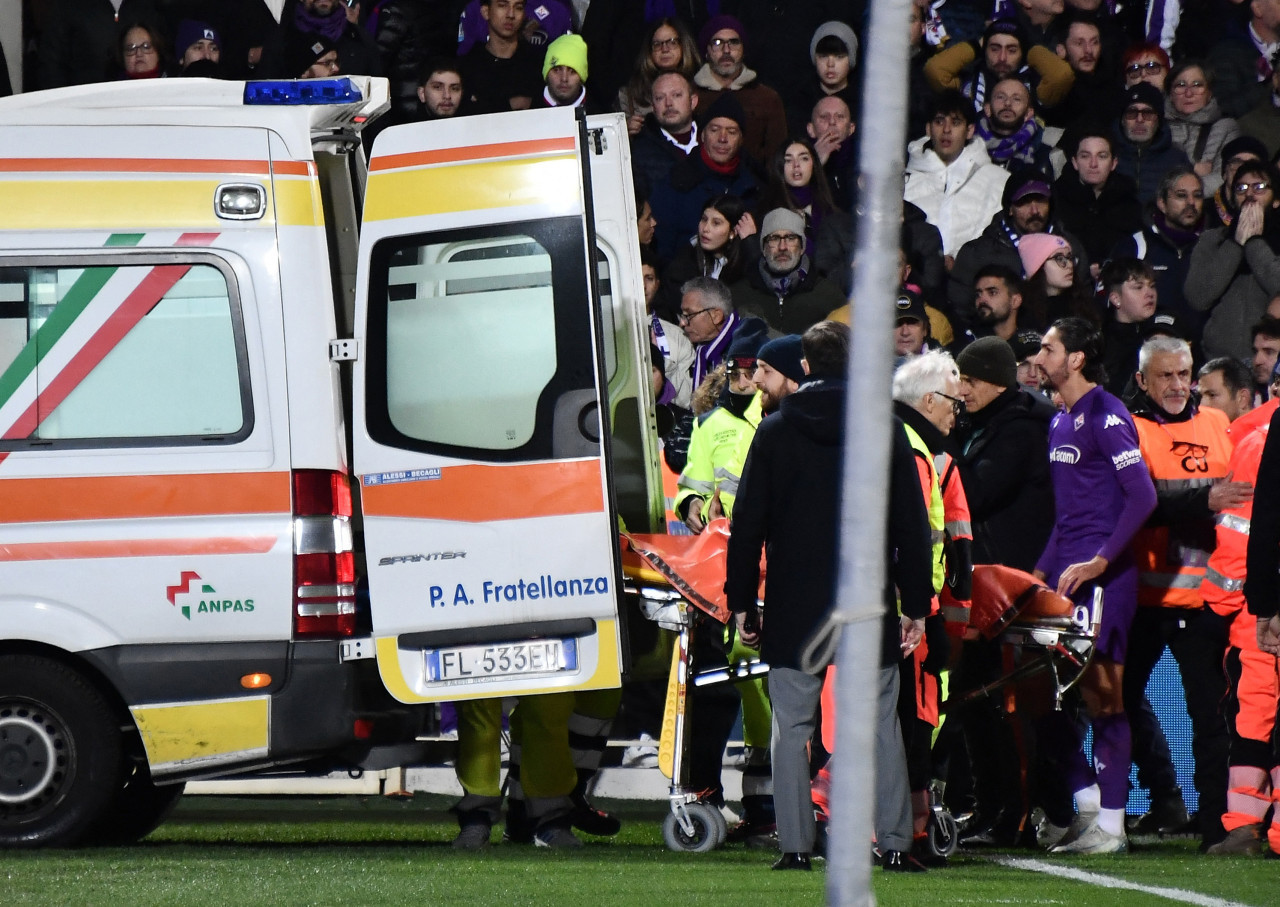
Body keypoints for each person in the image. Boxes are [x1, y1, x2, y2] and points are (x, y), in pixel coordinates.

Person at [726, 321, 934, 872]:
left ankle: (795, 846)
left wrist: (740, 600)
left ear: (809, 367)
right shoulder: (884, 429)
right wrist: (917, 603)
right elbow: (911, 525)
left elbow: (747, 524)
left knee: (791, 727)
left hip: (796, 603)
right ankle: (893, 844)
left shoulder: (773, 431)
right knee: (881, 724)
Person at [1031, 317, 1158, 855]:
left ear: (1076, 358)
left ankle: (1111, 824)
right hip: (1068, 578)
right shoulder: (1061, 421)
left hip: (1106, 581)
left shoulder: (1107, 416)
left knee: (1105, 699)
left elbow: (1143, 496)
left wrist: (1101, 561)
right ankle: (1087, 805)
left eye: (1048, 348)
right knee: (1053, 695)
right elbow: (1068, 514)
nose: (1039, 357)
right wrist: (1037, 573)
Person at [1125, 335, 1245, 848]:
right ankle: (1166, 798)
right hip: (1145, 600)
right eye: (1165, 376)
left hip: (1204, 602)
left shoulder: (1219, 425)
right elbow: (1138, 501)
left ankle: (1215, 822)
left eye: (1183, 374)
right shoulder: (1131, 431)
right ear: (1141, 381)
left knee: (1209, 715)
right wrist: (1203, 498)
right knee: (1116, 700)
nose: (1177, 385)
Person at [1203, 401, 1280, 853]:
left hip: (1259, 612)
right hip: (1262, 606)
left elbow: (1242, 534)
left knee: (1252, 718)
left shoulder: (1257, 440)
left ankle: (1245, 827)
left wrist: (1223, 606)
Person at [948, 167, 1090, 322]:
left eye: (1041, 200)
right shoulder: (978, 254)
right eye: (1025, 202)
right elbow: (959, 310)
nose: (1035, 210)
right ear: (1010, 208)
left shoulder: (1070, 247)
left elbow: (1085, 301)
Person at [1185, 160, 1280, 362]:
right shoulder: (1212, 240)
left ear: (1276, 200)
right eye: (1241, 188)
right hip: (1216, 361)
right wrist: (1236, 244)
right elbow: (1198, 296)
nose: (1249, 194)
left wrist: (1253, 242)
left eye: (1260, 187)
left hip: (1270, 364)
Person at [649, 93, 759, 263]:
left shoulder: (754, 186)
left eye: (731, 132)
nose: (722, 138)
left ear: (741, 139)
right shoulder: (675, 182)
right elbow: (663, 252)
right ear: (702, 135)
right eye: (714, 130)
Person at [904, 90, 1011, 260]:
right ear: (928, 129)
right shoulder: (904, 182)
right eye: (939, 122)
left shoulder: (999, 180)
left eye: (955, 122)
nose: (946, 130)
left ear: (969, 130)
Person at [1110, 166, 1205, 333]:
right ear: (1162, 203)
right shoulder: (1136, 245)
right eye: (1181, 195)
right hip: (1144, 345)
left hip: (1199, 350)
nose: (1191, 202)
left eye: (1197, 195)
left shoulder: (1212, 245)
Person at [691, 15, 788, 169]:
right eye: (717, 43)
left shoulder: (767, 98)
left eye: (734, 42)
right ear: (707, 51)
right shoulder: (690, 96)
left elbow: (777, 156)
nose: (726, 50)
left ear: (743, 50)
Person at [729, 208, 844, 334]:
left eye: (790, 238)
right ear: (763, 247)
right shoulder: (737, 296)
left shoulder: (829, 296)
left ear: (802, 247)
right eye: (774, 238)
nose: (782, 247)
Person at [924, 18, 1075, 111]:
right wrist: (976, 46)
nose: (1002, 58)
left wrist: (1030, 49)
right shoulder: (968, 81)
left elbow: (1061, 76)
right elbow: (935, 70)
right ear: (984, 50)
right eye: (994, 49)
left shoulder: (1035, 85)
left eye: (1012, 50)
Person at [1052, 130, 1143, 271]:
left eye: (1102, 156)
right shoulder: (1056, 199)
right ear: (1075, 162)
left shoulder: (1129, 203)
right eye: (1085, 156)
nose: (1093, 164)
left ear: (1113, 163)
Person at [659, 194, 756, 319]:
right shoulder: (684, 262)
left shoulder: (743, 268)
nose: (706, 229)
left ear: (732, 232)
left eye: (716, 223)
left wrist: (750, 243)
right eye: (704, 219)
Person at [1164, 60, 1241, 198]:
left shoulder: (1226, 128)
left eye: (1197, 85)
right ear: (1170, 93)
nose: (1189, 93)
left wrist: (1182, 194)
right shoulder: (1156, 125)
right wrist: (1192, 169)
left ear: (1209, 93)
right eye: (1181, 85)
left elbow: (1224, 178)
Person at [457, 0, 544, 114]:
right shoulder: (467, 67)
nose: (511, 14)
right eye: (502, 6)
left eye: (518, 7)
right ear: (486, 11)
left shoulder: (538, 63)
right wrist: (507, 105)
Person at [1112, 81, 1192, 205]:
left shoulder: (1177, 160)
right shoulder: (1106, 155)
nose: (1139, 120)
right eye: (1132, 113)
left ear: (1158, 120)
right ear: (1122, 120)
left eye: (1147, 113)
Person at [618, 18, 700, 136]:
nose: (665, 49)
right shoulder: (630, 94)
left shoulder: (701, 87)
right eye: (657, 44)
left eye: (672, 42)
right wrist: (625, 130)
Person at [759, 138, 837, 254]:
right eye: (788, 160)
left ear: (814, 164)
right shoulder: (768, 212)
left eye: (804, 158)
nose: (796, 165)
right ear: (780, 167)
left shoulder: (828, 211)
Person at [630, 71, 700, 195]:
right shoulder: (640, 151)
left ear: (693, 101)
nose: (668, 103)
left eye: (677, 95)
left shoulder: (715, 138)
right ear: (653, 106)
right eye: (660, 98)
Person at [1099, 257, 1160, 398]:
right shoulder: (1101, 341)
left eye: (1152, 286)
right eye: (1138, 287)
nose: (1150, 294)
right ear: (1116, 299)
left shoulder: (1165, 329)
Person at [976, 77, 1061, 175]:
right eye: (1000, 97)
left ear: (1028, 113)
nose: (1007, 103)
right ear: (987, 109)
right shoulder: (966, 145)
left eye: (1016, 99)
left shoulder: (1048, 151)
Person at [1017, 233, 1099, 331]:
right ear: (1039, 267)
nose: (1069, 265)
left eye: (1069, 257)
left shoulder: (1085, 307)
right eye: (1059, 258)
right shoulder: (1024, 315)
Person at [535, 34, 592, 110]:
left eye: (572, 71)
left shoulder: (602, 115)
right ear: (546, 73)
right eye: (557, 70)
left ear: (582, 76)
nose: (564, 78)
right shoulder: (527, 110)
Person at [1197, 356, 1255, 423]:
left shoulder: (1267, 432)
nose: (1201, 405)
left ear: (1242, 399)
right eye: (1200, 397)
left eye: (1212, 395)